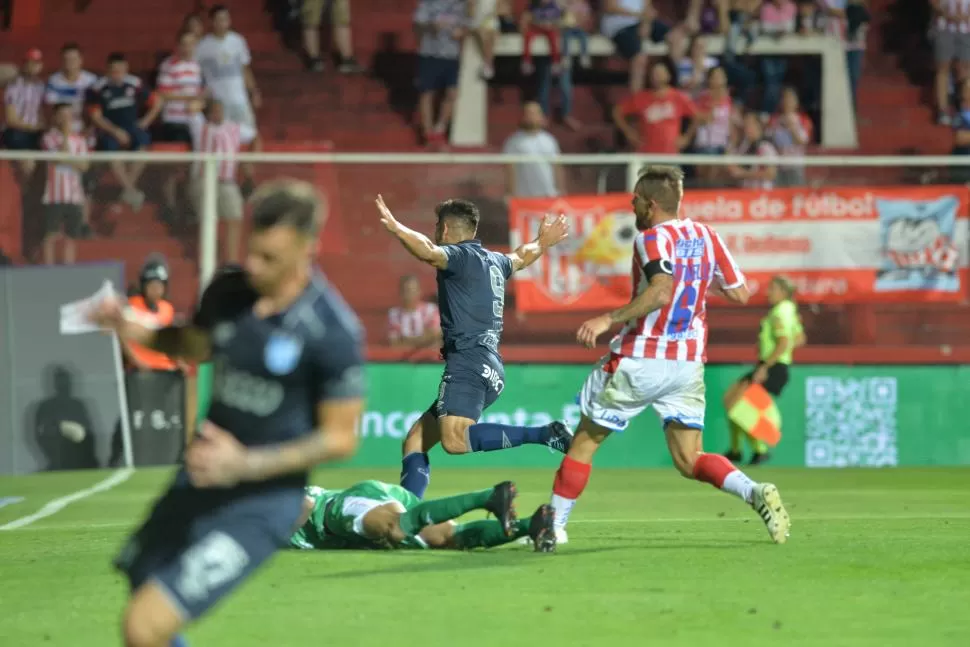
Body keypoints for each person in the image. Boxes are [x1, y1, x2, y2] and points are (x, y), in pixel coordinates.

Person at [86, 180, 365, 647]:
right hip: (200, 480)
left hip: (262, 501)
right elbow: (191, 346)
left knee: (143, 624)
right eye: (252, 252)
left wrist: (245, 464)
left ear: (307, 250)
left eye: (269, 258)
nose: (253, 266)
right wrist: (132, 327)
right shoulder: (229, 292)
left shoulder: (332, 331)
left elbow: (340, 438)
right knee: (142, 583)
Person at [541, 165, 791, 546]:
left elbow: (660, 291)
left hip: (641, 358)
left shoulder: (651, 239)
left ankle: (553, 528)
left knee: (585, 443)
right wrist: (696, 281)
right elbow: (740, 292)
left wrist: (607, 318)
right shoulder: (708, 236)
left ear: (652, 203)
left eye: (636, 200)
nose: (632, 205)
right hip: (686, 365)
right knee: (690, 459)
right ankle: (754, 492)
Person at [374, 195, 571, 499]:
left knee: (454, 441)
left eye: (438, 226)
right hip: (490, 365)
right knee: (415, 441)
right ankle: (408, 512)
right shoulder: (496, 261)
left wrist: (397, 228)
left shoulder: (460, 257)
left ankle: (544, 434)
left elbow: (427, 252)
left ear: (446, 229)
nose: (436, 233)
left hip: (468, 360)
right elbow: (522, 255)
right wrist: (542, 242)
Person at [290, 480, 556, 552]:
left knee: (397, 528)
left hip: (339, 511)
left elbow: (304, 503)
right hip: (357, 525)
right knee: (447, 538)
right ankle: (533, 525)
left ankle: (489, 497)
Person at [723, 275, 805, 465]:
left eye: (773, 289)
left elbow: (784, 341)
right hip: (777, 365)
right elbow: (800, 338)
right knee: (733, 401)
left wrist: (766, 365)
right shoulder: (790, 310)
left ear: (783, 292)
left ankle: (753, 450)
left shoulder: (779, 313)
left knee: (735, 403)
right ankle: (745, 451)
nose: (768, 293)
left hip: (771, 367)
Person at [187, 98, 260, 264]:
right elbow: (191, 107)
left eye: (220, 110)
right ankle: (207, 259)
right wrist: (204, 98)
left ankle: (231, 261)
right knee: (207, 220)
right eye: (214, 110)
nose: (217, 113)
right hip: (203, 180)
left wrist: (250, 161)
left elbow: (255, 137)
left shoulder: (233, 128)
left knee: (235, 216)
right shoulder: (200, 127)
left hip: (227, 181)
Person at [88, 52, 162, 210]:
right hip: (109, 129)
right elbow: (96, 116)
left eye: (120, 71)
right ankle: (130, 191)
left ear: (126, 69)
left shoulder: (134, 84)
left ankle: (126, 191)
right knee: (111, 151)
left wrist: (145, 122)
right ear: (107, 70)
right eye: (113, 71)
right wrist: (115, 131)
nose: (117, 75)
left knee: (143, 144)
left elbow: (157, 102)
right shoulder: (98, 88)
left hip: (132, 126)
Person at [196, 5, 261, 130]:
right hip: (216, 102)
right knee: (221, 136)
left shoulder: (238, 41)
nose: (222, 23)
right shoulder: (203, 46)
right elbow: (197, 73)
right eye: (219, 19)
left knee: (250, 132)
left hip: (238, 98)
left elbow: (245, 68)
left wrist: (254, 91)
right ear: (211, 21)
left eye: (225, 19)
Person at [40, 103, 89, 266]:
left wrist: (68, 158)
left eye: (69, 115)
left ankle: (68, 271)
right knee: (50, 236)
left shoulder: (81, 140)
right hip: (54, 196)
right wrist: (66, 137)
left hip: (74, 196)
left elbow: (84, 166)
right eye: (62, 115)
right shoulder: (48, 138)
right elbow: (58, 158)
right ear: (55, 118)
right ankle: (48, 271)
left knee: (71, 237)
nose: (66, 119)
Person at [502, 101, 564, 198]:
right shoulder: (513, 142)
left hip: (549, 195)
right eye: (528, 113)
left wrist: (561, 190)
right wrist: (510, 194)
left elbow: (557, 167)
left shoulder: (550, 140)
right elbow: (509, 170)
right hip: (523, 197)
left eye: (535, 113)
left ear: (541, 116)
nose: (531, 117)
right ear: (523, 117)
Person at [2, 48, 45, 184]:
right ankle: (24, 197)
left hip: (36, 133)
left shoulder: (41, 86)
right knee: (27, 166)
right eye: (30, 63)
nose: (33, 66)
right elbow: (11, 120)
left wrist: (41, 127)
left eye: (36, 63)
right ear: (24, 64)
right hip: (18, 132)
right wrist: (35, 127)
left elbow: (43, 114)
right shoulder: (14, 85)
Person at [388, 274, 442, 349]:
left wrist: (406, 340)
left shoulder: (431, 310)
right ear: (400, 292)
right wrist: (425, 340)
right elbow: (395, 344)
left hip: (428, 359)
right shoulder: (394, 314)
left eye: (411, 290)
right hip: (403, 360)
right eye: (405, 290)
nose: (408, 294)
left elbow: (436, 336)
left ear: (419, 291)